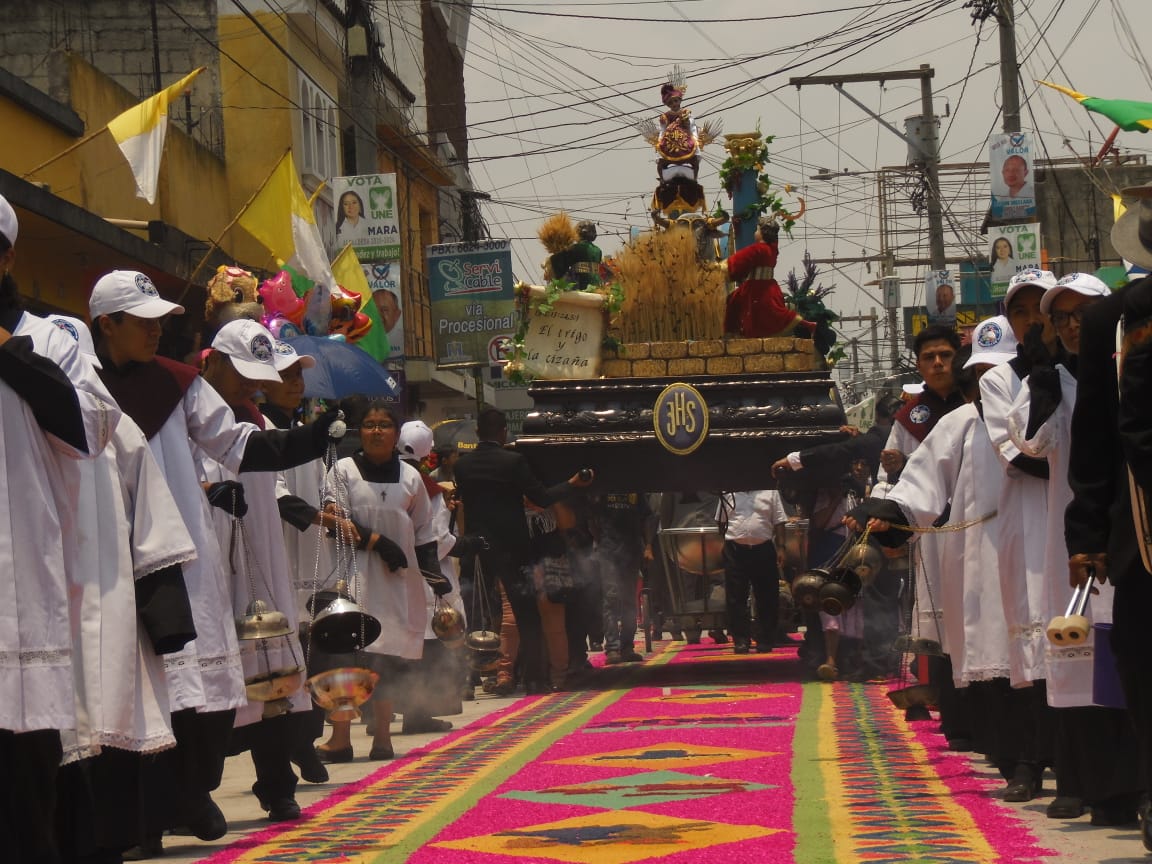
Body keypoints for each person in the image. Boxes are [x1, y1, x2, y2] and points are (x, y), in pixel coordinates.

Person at [90, 270, 340, 852]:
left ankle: (186, 794)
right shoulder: (78, 384)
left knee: (196, 695)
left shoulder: (181, 386)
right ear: (108, 324)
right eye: (144, 321)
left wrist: (307, 438)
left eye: (162, 321)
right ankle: (136, 821)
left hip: (177, 555)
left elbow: (235, 443)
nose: (157, 331)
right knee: (117, 690)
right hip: (99, 555)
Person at [0, 196, 119, 864]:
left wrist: (6, 350)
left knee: (26, 775)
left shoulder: (56, 338)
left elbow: (91, 427)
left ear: (8, 256)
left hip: (22, 588)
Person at [1006, 272, 1140, 824]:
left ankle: (1135, 781)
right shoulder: (1052, 379)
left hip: (1134, 534)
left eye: (1081, 315)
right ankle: (1087, 784)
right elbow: (1029, 444)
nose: (1070, 326)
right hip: (1079, 545)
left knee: (1130, 663)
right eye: (1060, 318)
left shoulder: (1131, 370)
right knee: (1076, 663)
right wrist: (1039, 389)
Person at [197, 321, 319, 824]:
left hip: (260, 560)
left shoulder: (259, 424)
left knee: (271, 679)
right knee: (206, 684)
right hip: (208, 564)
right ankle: (195, 792)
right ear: (213, 363)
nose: (251, 385)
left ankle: (277, 783)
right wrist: (208, 494)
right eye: (242, 373)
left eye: (257, 376)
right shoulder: (184, 414)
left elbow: (275, 484)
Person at [1068, 182, 1152, 850]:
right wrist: (1088, 532)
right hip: (1141, 530)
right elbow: (1094, 436)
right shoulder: (1113, 321)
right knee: (1144, 664)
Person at [978, 268, 1061, 803]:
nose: (1032, 321)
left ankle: (1080, 774)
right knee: (1031, 652)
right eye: (1021, 312)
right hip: (1029, 525)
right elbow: (1023, 454)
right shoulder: (1000, 379)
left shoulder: (1088, 364)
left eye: (1041, 310)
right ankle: (1029, 765)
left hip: (1076, 520)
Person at [317, 403, 438, 761]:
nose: (376, 431)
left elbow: (425, 533)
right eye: (369, 425)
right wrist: (378, 542)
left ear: (396, 434)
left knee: (388, 659)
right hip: (352, 577)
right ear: (360, 431)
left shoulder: (411, 478)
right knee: (346, 658)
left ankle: (382, 738)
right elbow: (333, 520)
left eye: (384, 425)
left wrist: (437, 582)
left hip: (398, 583)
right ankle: (340, 739)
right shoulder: (343, 471)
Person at [454, 408, 593, 694]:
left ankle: (478, 677)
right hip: (512, 546)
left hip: (478, 545)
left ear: (477, 432)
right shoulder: (513, 462)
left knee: (483, 613)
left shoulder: (462, 466)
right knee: (525, 615)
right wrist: (572, 484)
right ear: (503, 432)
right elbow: (540, 497)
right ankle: (534, 679)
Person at [718, 217, 813, 339]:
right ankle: (806, 324)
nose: (755, 233)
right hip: (770, 287)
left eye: (757, 230)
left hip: (756, 289)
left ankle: (732, 332)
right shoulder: (772, 250)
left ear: (763, 233)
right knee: (775, 313)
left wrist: (721, 267)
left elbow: (739, 261)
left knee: (733, 302)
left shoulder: (759, 249)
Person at [718, 490, 786, 656]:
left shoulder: (771, 492)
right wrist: (725, 542)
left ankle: (765, 639)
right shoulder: (727, 493)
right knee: (735, 597)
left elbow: (779, 521)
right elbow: (721, 521)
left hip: (763, 548)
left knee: (767, 595)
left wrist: (782, 547)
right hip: (735, 549)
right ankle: (741, 640)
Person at [591, 492, 652, 664]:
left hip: (632, 550)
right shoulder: (602, 489)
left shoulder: (635, 489)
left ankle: (627, 647)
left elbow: (646, 518)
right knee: (610, 598)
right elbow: (592, 519)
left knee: (629, 601)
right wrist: (600, 543)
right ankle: (612, 648)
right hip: (608, 551)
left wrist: (648, 546)